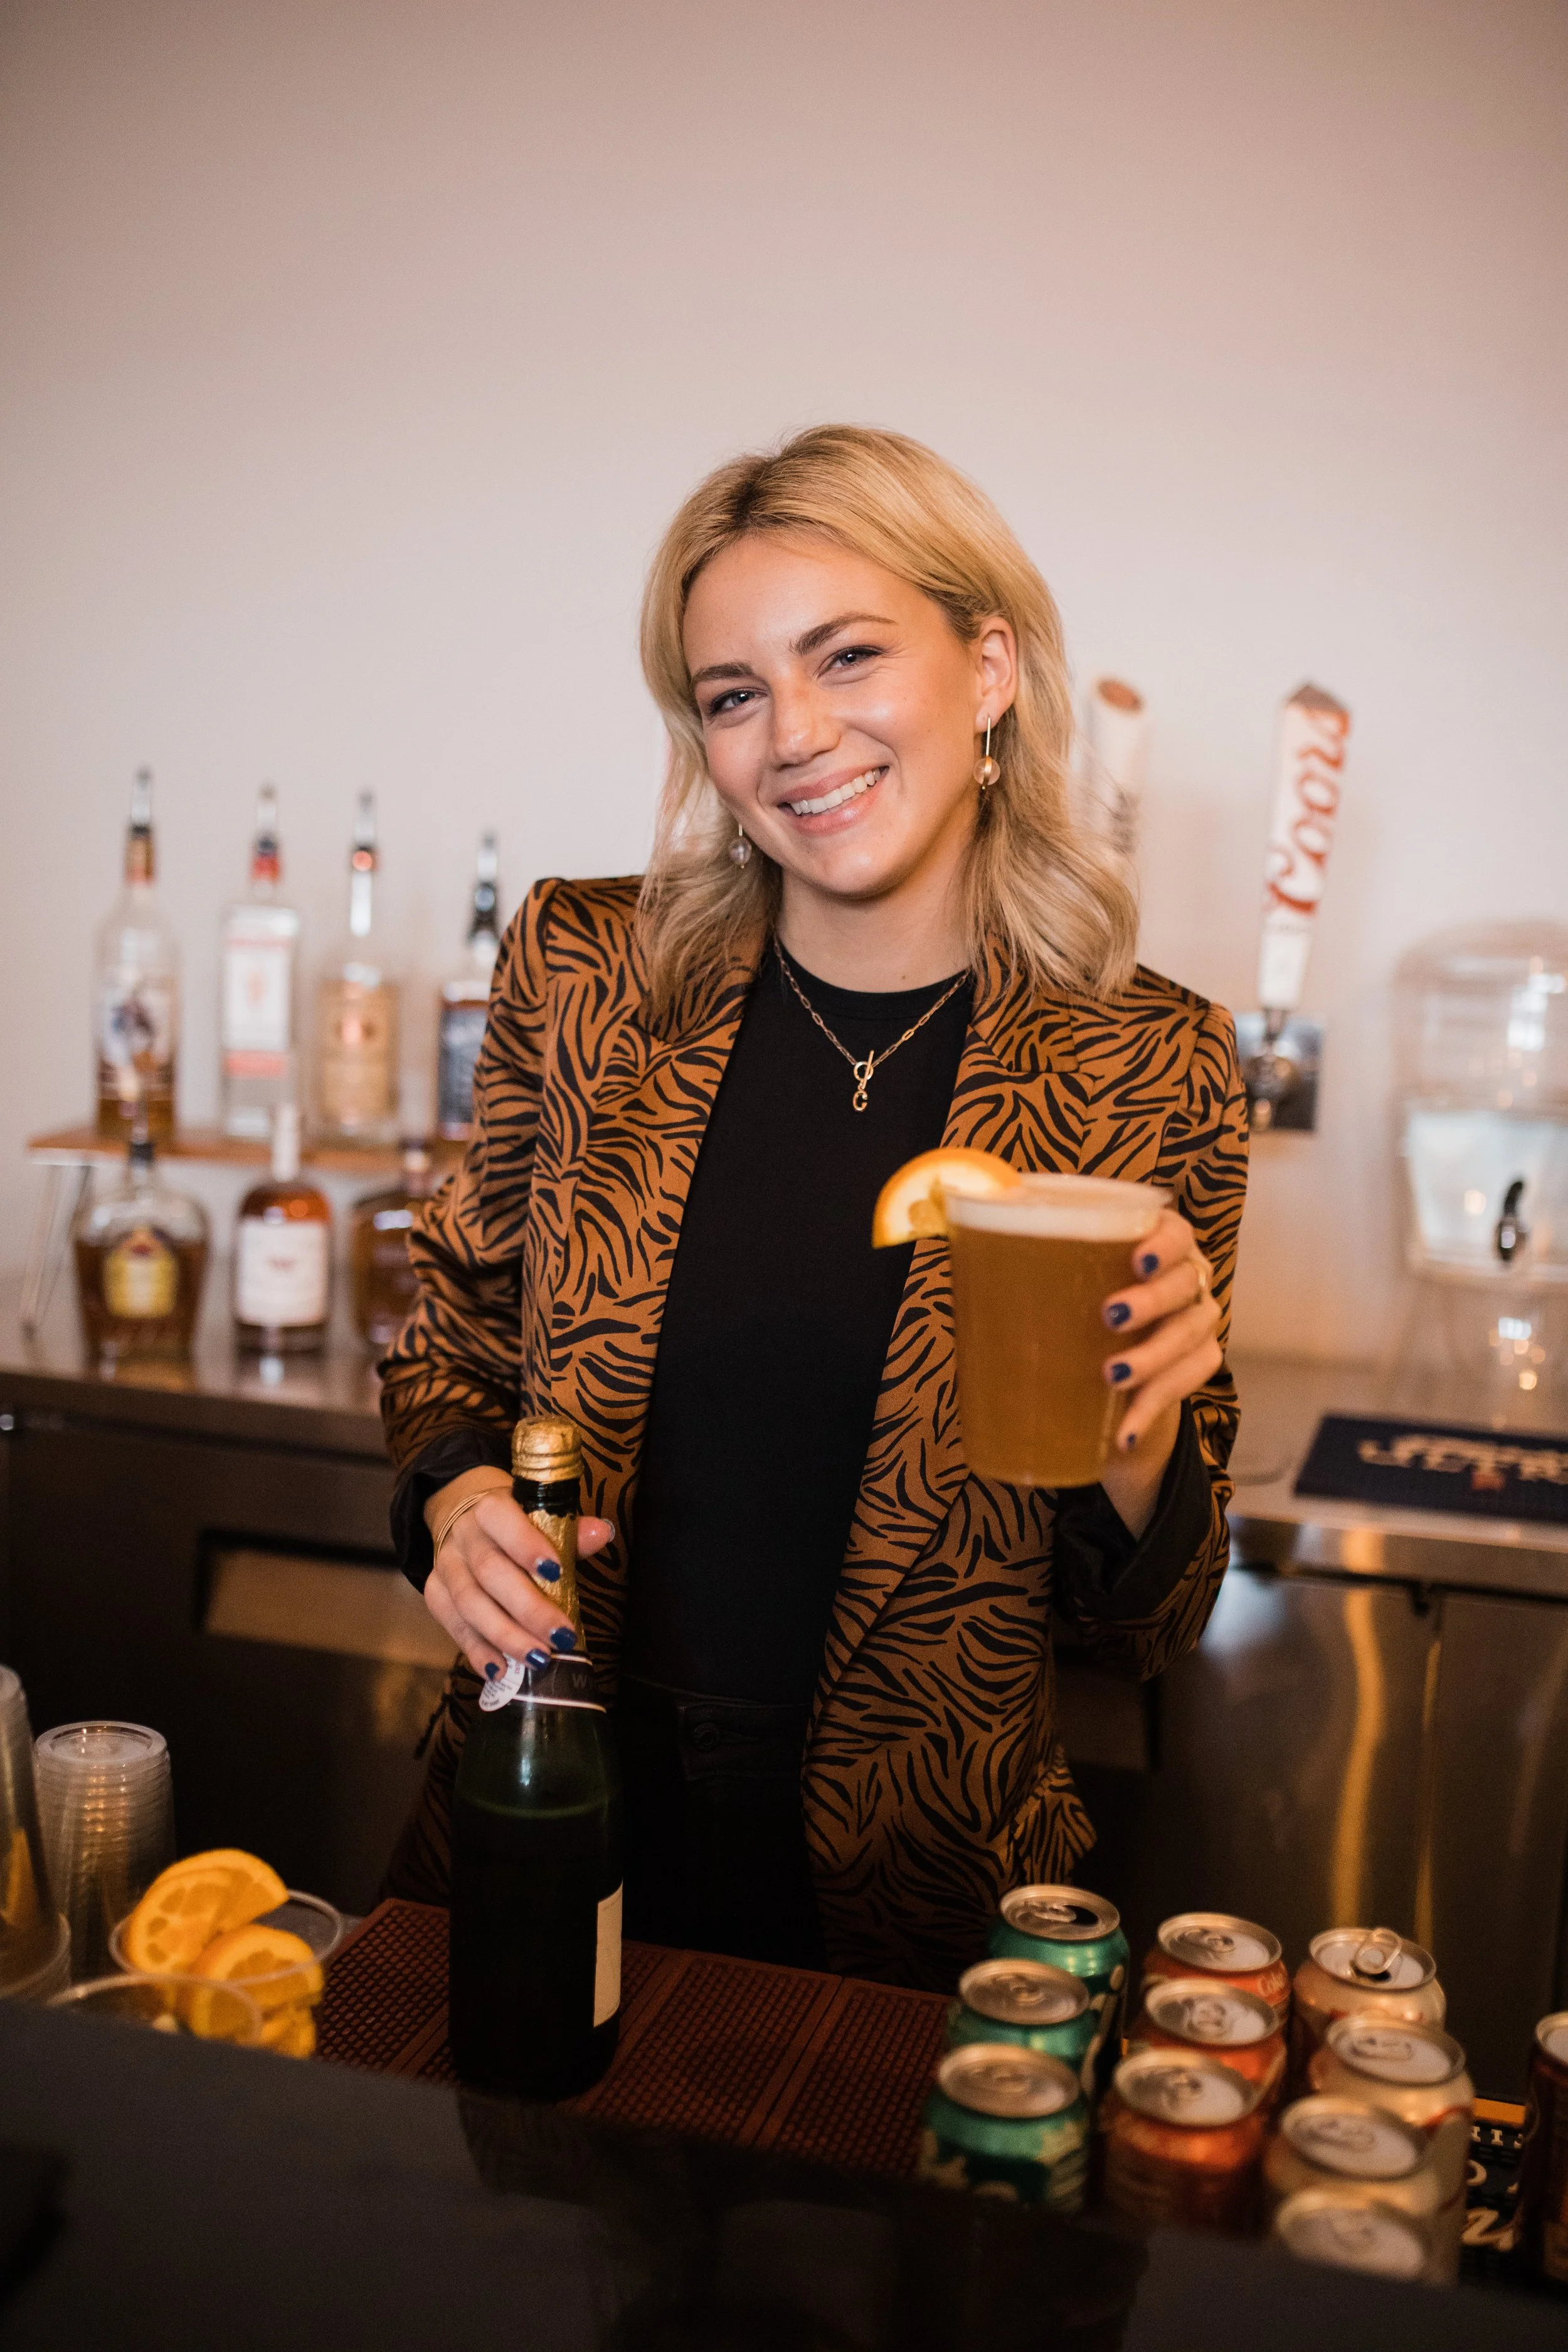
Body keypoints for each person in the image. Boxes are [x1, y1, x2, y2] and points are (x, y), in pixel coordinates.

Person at [380, 424, 1248, 1988]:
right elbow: (449, 1327)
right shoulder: (589, 971)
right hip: (549, 1800)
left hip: (920, 1902)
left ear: (985, 669)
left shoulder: (1143, 1063)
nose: (792, 736)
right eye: (732, 695)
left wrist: (1138, 1435)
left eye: (846, 657)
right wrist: (449, 1501)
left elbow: (1142, 1631)